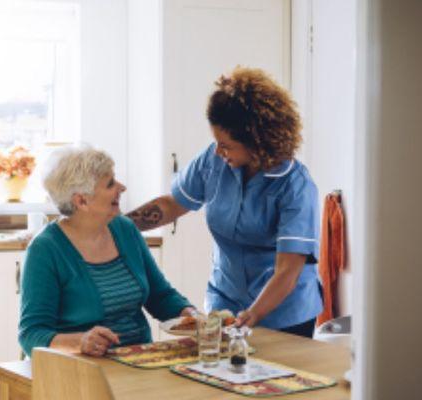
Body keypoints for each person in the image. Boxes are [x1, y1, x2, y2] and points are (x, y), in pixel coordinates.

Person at [127, 67, 322, 338]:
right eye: (216, 142)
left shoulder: (295, 186)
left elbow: (288, 270)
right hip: (226, 301)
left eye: (226, 144)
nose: (218, 150)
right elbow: (173, 204)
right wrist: (119, 225)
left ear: (257, 141)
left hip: (283, 313)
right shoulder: (213, 160)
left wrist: (253, 314)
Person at [19, 146, 194, 357]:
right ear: (81, 201)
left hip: (139, 361)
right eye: (110, 184)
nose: (122, 187)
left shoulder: (125, 229)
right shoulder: (45, 250)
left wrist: (193, 316)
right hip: (80, 370)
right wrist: (80, 342)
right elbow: (32, 334)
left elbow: (160, 296)